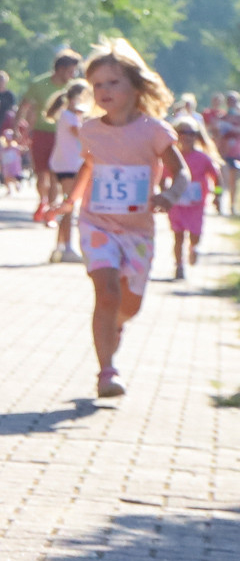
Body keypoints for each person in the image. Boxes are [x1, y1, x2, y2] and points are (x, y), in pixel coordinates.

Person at [55, 37, 189, 398]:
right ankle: (106, 371)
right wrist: (70, 201)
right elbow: (90, 166)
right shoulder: (91, 130)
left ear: (135, 84)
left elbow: (182, 172)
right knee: (107, 291)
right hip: (97, 224)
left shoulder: (154, 130)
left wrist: (170, 195)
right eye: (98, 85)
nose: (104, 91)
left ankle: (114, 327)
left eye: (113, 82)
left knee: (128, 305)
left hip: (138, 230)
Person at [16, 49, 81, 221]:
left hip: (63, 138)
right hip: (41, 133)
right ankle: (42, 201)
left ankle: (51, 212)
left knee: (54, 174)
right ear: (60, 69)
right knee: (41, 172)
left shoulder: (73, 88)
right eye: (70, 70)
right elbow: (24, 106)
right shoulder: (40, 84)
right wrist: (17, 128)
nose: (72, 74)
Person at [167, 117, 222, 280]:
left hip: (196, 204)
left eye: (192, 133)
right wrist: (164, 192)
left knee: (195, 235)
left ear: (197, 136)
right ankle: (179, 266)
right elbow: (162, 176)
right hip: (177, 202)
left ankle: (194, 248)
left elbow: (217, 177)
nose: (187, 136)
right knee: (178, 236)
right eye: (183, 132)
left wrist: (218, 195)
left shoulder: (203, 157)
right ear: (176, 135)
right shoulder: (172, 156)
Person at [44, 79, 91, 263]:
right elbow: (81, 134)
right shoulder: (68, 117)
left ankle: (60, 247)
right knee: (69, 206)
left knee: (68, 205)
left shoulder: (72, 116)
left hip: (69, 164)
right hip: (68, 165)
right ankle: (67, 247)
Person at [216, 91, 240, 215]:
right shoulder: (222, 117)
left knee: (233, 181)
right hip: (223, 153)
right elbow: (216, 133)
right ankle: (218, 200)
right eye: (229, 100)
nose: (231, 103)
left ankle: (232, 205)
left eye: (234, 101)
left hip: (236, 153)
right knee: (220, 180)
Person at [0, 129, 24, 194]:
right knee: (6, 178)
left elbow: (21, 151)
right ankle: (8, 190)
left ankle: (16, 184)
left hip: (14, 165)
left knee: (12, 177)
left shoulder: (15, 147)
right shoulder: (2, 148)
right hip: (6, 165)